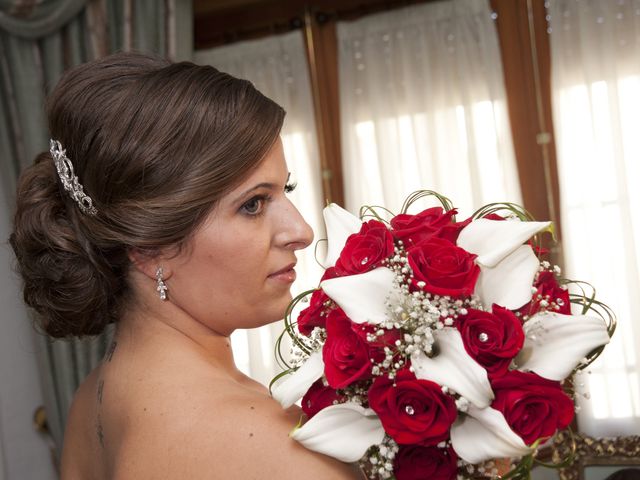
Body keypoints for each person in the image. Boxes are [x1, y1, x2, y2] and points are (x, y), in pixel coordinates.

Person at [10, 52, 361, 479]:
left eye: (285, 188)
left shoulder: (96, 400)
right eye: (252, 204)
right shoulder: (268, 449)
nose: (302, 230)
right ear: (148, 247)